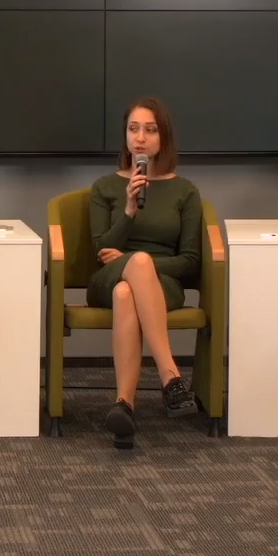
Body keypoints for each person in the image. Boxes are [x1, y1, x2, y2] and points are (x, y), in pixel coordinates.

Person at [87, 96, 203, 449]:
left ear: (163, 137)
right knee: (132, 269)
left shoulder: (185, 191)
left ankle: (124, 406)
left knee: (129, 288)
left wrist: (144, 265)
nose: (140, 138)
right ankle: (170, 376)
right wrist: (129, 210)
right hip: (108, 277)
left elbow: (189, 261)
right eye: (133, 129)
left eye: (150, 130)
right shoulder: (105, 186)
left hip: (164, 285)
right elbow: (102, 250)